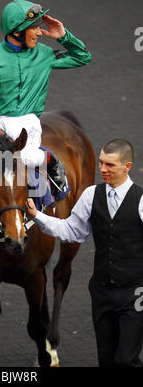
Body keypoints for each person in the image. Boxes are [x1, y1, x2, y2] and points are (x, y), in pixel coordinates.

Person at [26, 139, 143, 367]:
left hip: (135, 294)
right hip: (102, 292)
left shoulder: (141, 200)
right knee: (106, 359)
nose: (102, 169)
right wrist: (36, 216)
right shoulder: (91, 196)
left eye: (110, 165)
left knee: (126, 359)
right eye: (100, 163)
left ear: (127, 167)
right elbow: (71, 230)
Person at [0, 0, 91, 190]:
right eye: (34, 28)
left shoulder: (44, 54)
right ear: (17, 31)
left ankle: (51, 161)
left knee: (26, 158)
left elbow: (82, 56)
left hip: (28, 122)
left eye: (39, 27)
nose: (39, 32)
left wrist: (63, 36)